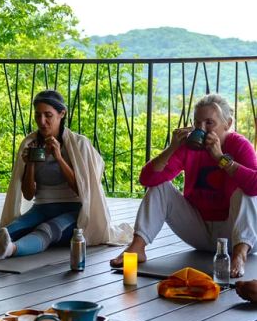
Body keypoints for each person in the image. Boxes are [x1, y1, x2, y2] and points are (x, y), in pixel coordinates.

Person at [0, 90, 130, 260]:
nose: (42, 122)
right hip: (42, 207)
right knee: (19, 225)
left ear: (61, 114)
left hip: (74, 209)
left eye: (48, 115)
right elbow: (28, 195)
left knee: (47, 229)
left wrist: (58, 157)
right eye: (38, 115)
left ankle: (11, 249)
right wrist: (30, 164)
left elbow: (84, 192)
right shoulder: (30, 142)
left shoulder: (79, 144)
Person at [110, 93, 257, 278]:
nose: (202, 129)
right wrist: (172, 148)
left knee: (245, 191)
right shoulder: (190, 147)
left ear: (227, 123)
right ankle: (137, 248)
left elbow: (255, 187)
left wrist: (221, 159)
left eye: (209, 123)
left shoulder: (239, 145)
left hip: (235, 235)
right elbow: (147, 179)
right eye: (197, 123)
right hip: (200, 231)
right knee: (160, 186)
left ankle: (240, 256)